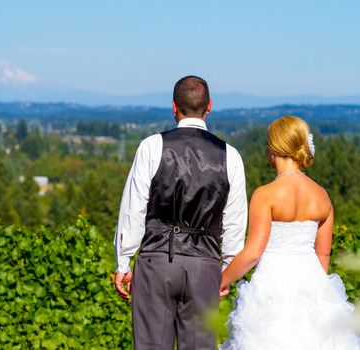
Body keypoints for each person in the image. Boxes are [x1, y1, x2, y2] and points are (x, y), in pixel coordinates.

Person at [113, 76, 247, 349]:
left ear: (174, 107)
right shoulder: (230, 155)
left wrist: (123, 262)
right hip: (205, 266)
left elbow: (133, 209)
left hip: (156, 261)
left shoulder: (151, 146)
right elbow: (234, 222)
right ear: (209, 106)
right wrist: (227, 270)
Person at [219, 116, 360, 349]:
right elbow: (323, 255)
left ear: (272, 150)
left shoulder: (265, 195)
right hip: (312, 285)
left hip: (271, 288)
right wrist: (316, 290)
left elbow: (254, 252)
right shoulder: (322, 196)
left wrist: (221, 280)